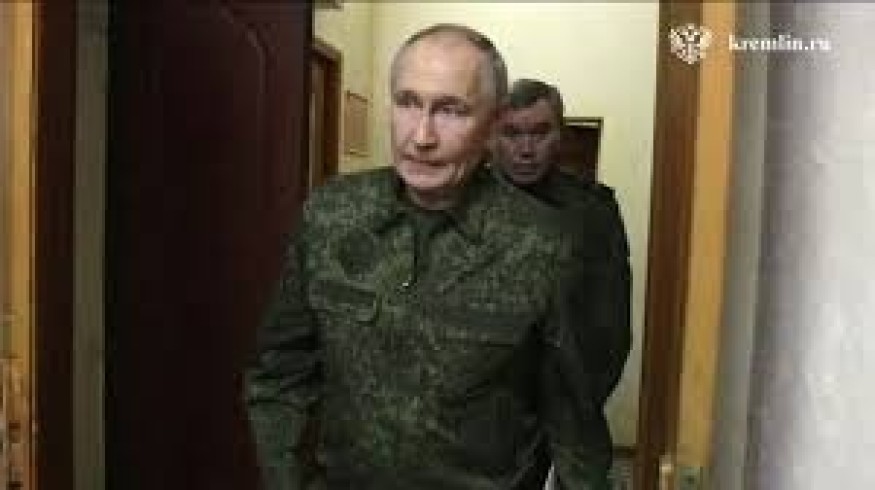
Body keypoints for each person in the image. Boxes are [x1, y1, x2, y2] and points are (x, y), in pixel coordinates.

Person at [245, 24, 611, 490]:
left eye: (451, 110)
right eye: (407, 102)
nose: (421, 136)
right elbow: (279, 374)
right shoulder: (332, 216)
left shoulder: (546, 245)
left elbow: (576, 426)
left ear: (492, 124)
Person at [491, 77, 633, 430]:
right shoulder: (463, 204)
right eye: (512, 133)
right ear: (492, 136)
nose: (526, 149)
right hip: (481, 417)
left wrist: (580, 404)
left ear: (561, 135)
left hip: (568, 412)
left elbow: (611, 327)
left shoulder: (593, 212)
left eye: (540, 133)